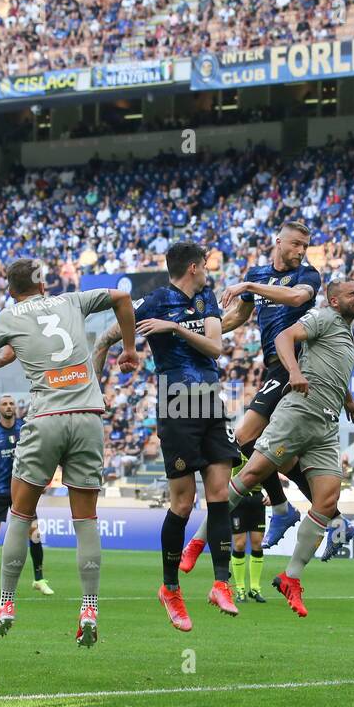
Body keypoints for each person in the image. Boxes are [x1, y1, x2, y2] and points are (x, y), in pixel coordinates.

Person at [0, 259, 137, 647]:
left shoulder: (8, 317)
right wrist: (129, 348)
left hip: (46, 419)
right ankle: (89, 607)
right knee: (86, 520)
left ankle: (7, 603)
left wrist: (4, 359)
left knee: (21, 514)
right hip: (88, 419)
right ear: (44, 285)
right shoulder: (70, 300)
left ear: (12, 289)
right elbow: (124, 297)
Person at [93, 241, 238, 629]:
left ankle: (221, 582)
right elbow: (104, 338)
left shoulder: (206, 300)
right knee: (184, 504)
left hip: (210, 400)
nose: (208, 271)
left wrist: (174, 328)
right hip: (176, 403)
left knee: (221, 493)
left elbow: (215, 347)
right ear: (193, 267)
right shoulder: (154, 300)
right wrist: (126, 351)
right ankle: (170, 589)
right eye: (205, 265)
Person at [217, 279, 354, 617]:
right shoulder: (322, 314)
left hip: (325, 422)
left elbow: (333, 372)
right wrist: (295, 371)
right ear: (334, 299)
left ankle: (290, 575)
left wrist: (349, 400)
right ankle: (208, 534)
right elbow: (287, 333)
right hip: (289, 386)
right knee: (246, 445)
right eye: (352, 294)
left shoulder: (344, 331)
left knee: (327, 499)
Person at [0, 394, 51, 598]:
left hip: (23, 489)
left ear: (15, 408)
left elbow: (40, 453)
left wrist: (40, 479)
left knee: (34, 533)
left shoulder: (25, 428)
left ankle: (39, 579)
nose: (8, 407)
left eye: (11, 404)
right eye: (4, 404)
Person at [228, 451, 267, 603]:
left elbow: (270, 472)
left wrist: (272, 493)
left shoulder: (261, 447)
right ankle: (240, 588)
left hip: (257, 499)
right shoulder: (234, 448)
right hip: (239, 498)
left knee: (257, 543)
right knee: (239, 543)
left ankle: (255, 588)